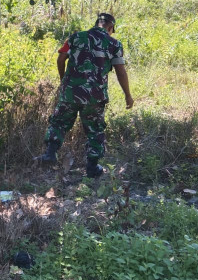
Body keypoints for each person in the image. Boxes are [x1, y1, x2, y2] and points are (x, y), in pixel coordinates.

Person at [37, 12, 133, 177]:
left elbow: (61, 59)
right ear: (110, 27)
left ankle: (50, 153)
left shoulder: (75, 37)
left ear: (97, 23)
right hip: (95, 96)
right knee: (95, 130)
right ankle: (92, 167)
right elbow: (121, 72)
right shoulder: (114, 44)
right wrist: (127, 95)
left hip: (70, 92)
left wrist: (64, 81)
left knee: (59, 122)